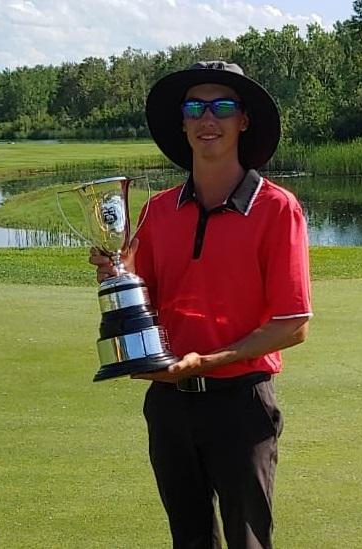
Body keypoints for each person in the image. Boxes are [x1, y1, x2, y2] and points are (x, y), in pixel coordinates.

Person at [89, 61, 312, 548]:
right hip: (168, 405)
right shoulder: (158, 211)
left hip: (241, 405)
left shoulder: (277, 208)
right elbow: (143, 301)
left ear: (243, 120)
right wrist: (116, 278)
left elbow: (293, 324)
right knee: (188, 540)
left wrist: (210, 361)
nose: (207, 119)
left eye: (222, 107)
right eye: (195, 108)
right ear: (183, 122)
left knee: (248, 542)